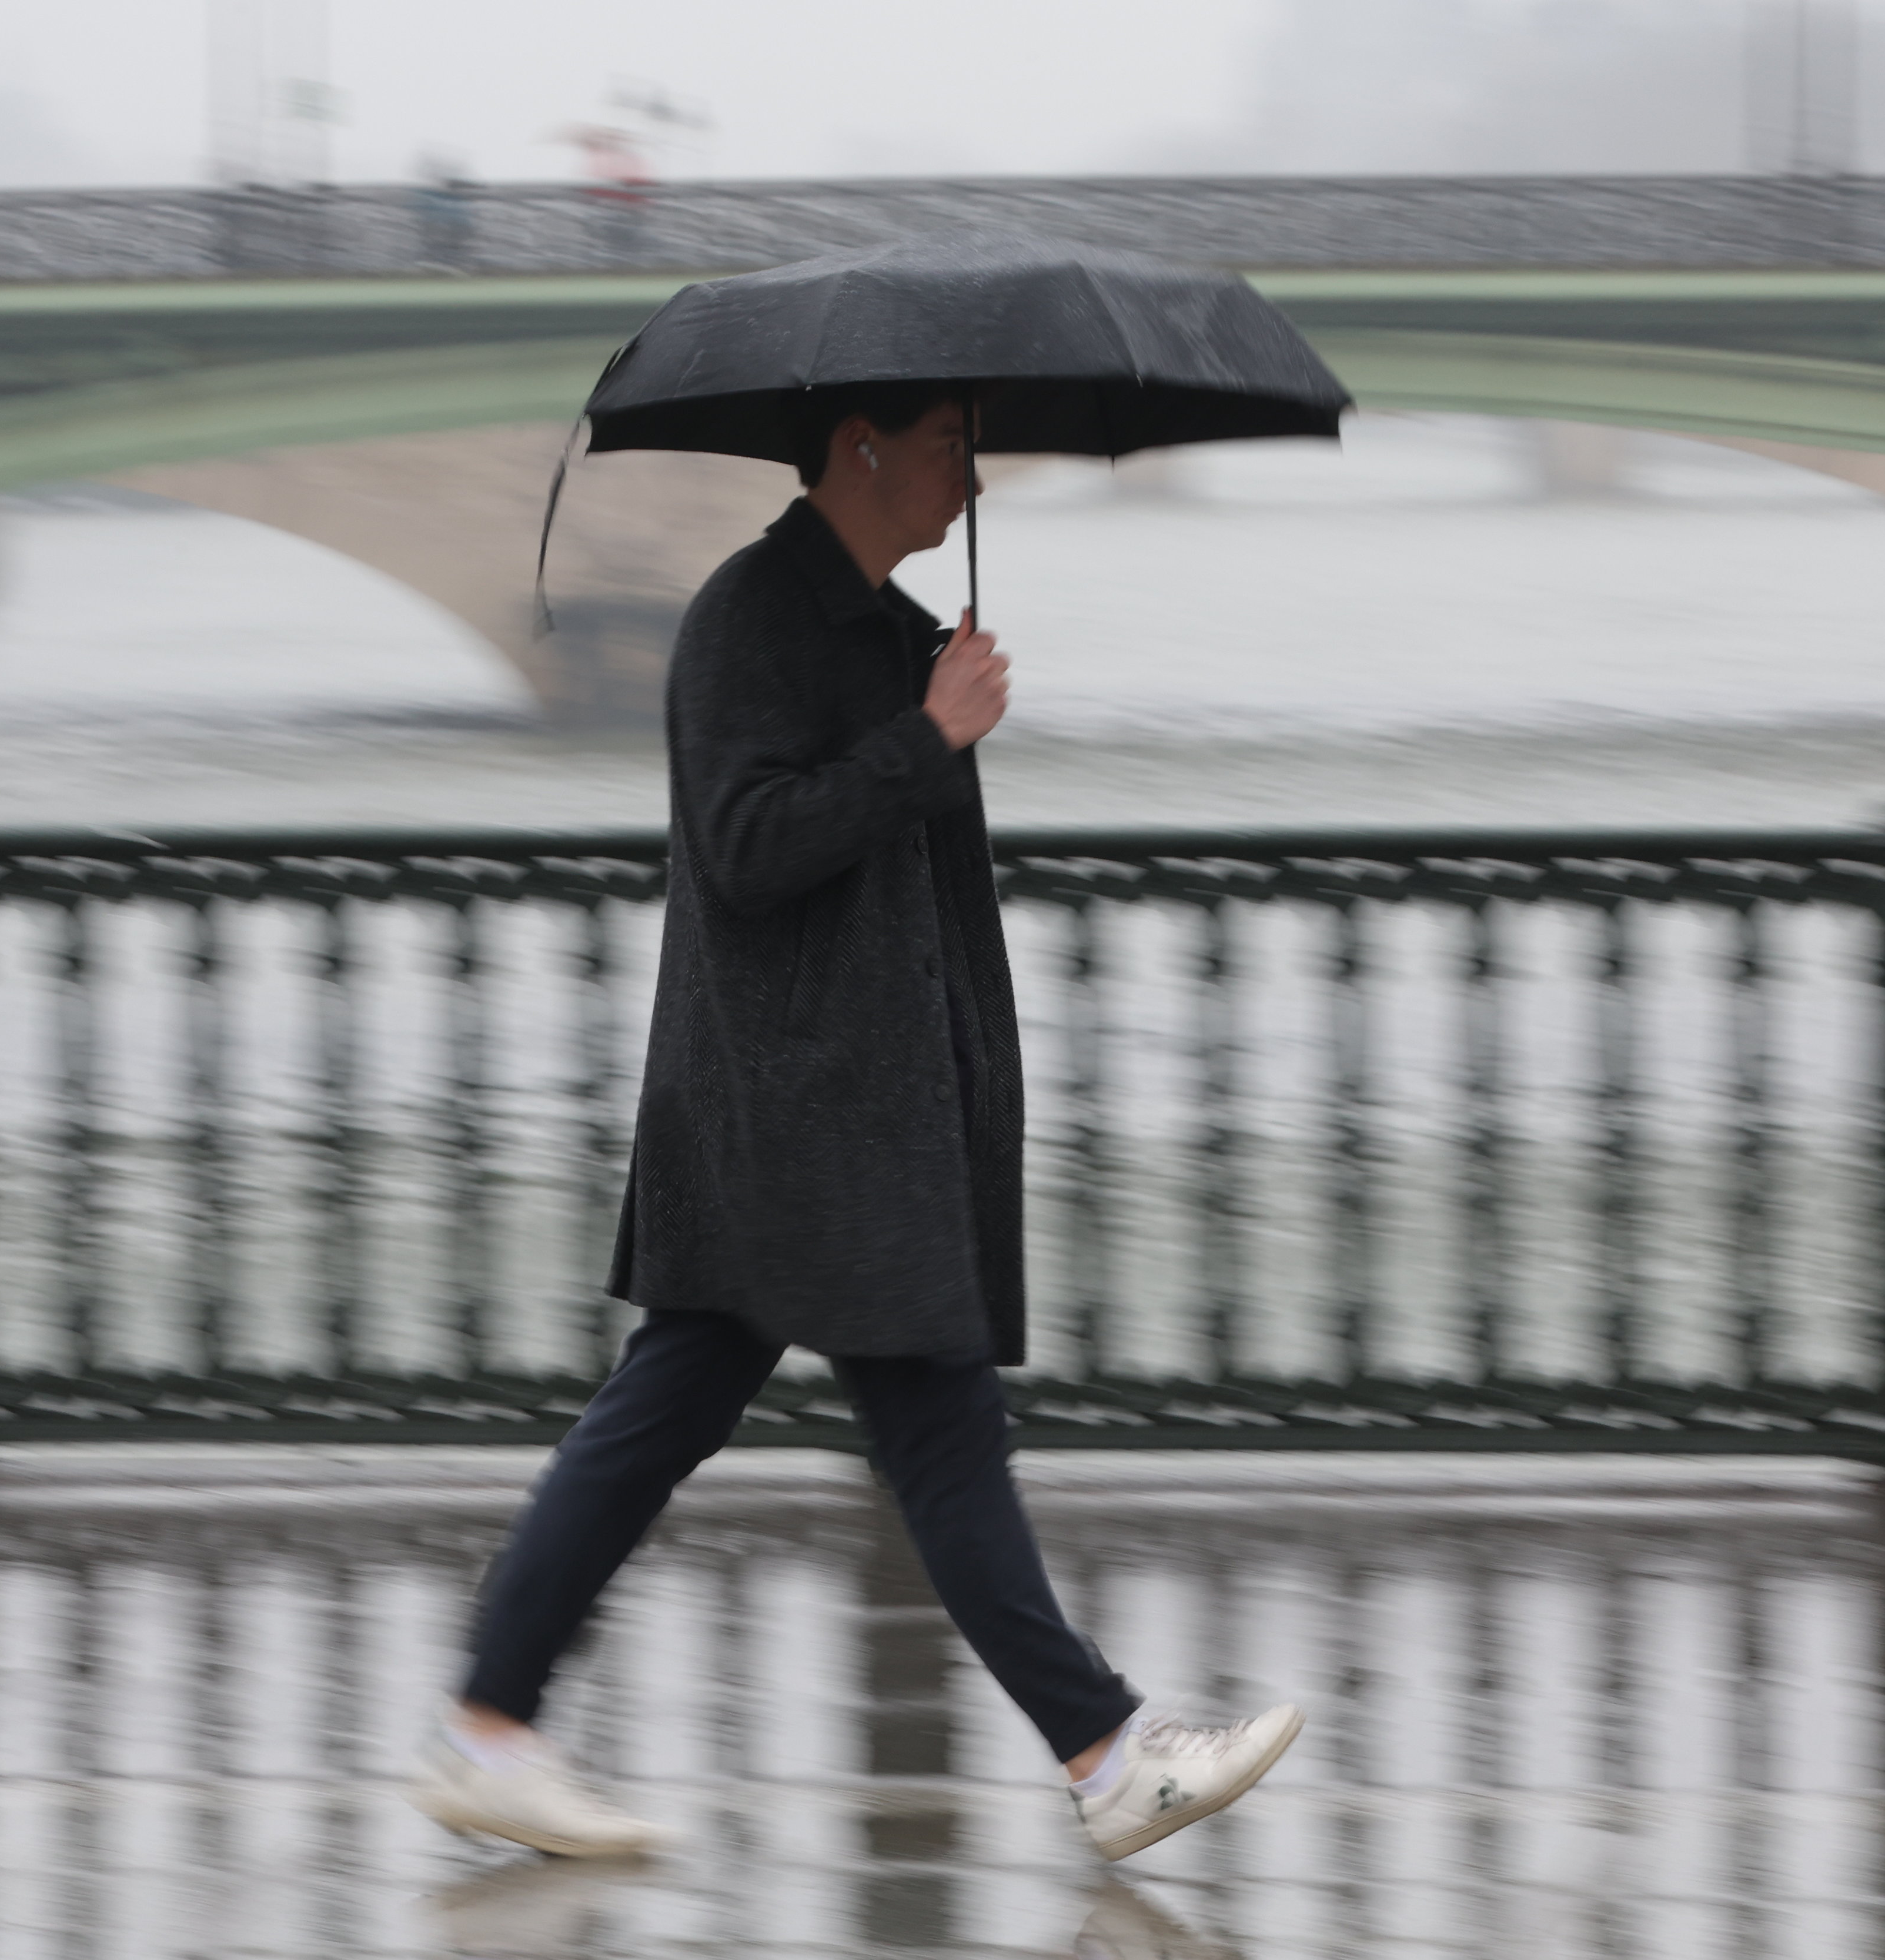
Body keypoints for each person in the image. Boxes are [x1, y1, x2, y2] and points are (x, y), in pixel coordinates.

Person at [409, 383, 1302, 1862]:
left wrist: (931, 720)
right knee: (932, 1429)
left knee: (672, 1417)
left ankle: (486, 1725)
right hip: (799, 1106)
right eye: (951, 442)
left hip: (852, 1102)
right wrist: (925, 737)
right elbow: (747, 849)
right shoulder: (751, 613)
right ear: (861, 445)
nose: (973, 472)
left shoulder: (887, 628)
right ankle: (1103, 1752)